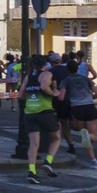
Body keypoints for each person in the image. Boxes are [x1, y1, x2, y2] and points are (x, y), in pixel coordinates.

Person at [19, 54, 63, 184]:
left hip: (30, 111)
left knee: (34, 144)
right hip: (45, 111)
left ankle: (32, 171)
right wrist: (53, 93)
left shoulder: (28, 76)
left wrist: (31, 96)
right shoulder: (46, 74)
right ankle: (48, 161)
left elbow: (21, 95)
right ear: (45, 65)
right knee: (56, 138)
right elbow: (44, 86)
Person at [60, 53, 97, 167]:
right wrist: (92, 97)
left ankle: (93, 159)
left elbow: (61, 97)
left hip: (76, 107)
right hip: (89, 105)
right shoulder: (85, 79)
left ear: (67, 69)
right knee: (93, 136)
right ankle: (92, 154)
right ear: (77, 68)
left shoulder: (65, 81)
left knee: (74, 128)